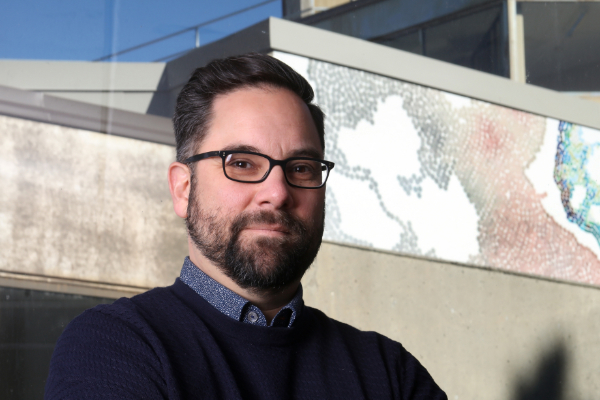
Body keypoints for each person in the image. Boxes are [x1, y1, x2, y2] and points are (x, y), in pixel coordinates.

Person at [45, 53, 447, 399]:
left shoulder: (390, 372)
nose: (277, 192)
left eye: (301, 168)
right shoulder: (114, 346)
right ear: (183, 189)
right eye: (241, 163)